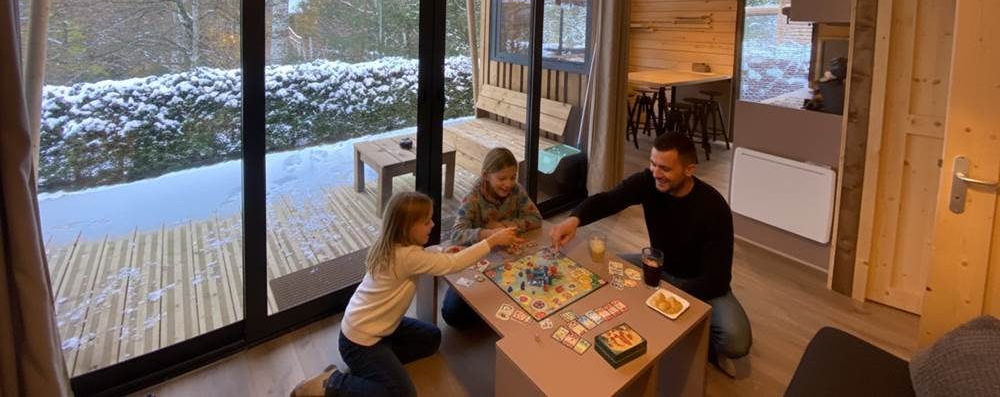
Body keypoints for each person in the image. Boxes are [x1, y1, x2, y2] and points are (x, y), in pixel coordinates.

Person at [550, 131, 752, 376]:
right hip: (658, 267)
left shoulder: (714, 207)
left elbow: (717, 279)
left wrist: (664, 299)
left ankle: (698, 341)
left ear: (689, 170)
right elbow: (609, 200)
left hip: (702, 284)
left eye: (665, 169)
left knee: (736, 341)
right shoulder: (648, 181)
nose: (656, 173)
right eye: (653, 164)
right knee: (609, 267)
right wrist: (574, 220)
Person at [292, 191, 519, 397]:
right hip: (360, 342)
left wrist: (438, 251)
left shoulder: (392, 245)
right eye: (426, 221)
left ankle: (374, 368)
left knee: (432, 338)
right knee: (402, 394)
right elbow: (453, 264)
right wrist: (491, 241)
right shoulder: (407, 257)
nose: (432, 225)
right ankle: (331, 383)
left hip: (378, 329)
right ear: (407, 227)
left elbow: (419, 259)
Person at [442, 147, 541, 328]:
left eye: (512, 177)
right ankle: (492, 309)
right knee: (452, 314)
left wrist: (505, 227)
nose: (508, 183)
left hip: (512, 259)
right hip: (481, 261)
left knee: (536, 286)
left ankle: (497, 307)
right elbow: (456, 234)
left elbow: (536, 218)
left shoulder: (517, 191)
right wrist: (488, 234)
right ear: (486, 175)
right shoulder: (473, 198)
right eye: (502, 178)